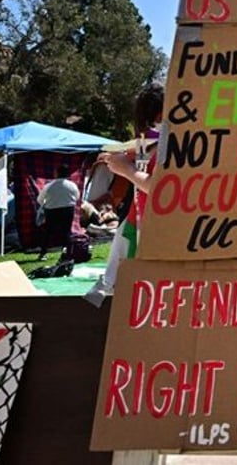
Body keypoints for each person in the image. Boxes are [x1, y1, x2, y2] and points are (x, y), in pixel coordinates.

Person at [85, 82, 164, 305]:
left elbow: (154, 187)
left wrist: (124, 169)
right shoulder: (148, 139)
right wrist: (130, 160)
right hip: (140, 217)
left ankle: (106, 295)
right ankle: (104, 294)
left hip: (153, 223)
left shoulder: (162, 139)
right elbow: (141, 177)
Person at [36, 163, 80, 260]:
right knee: (67, 232)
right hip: (68, 209)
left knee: (48, 232)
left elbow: (39, 200)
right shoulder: (72, 185)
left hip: (52, 210)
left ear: (56, 173)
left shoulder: (49, 186)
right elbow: (77, 197)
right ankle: (67, 252)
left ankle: (43, 254)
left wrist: (47, 203)